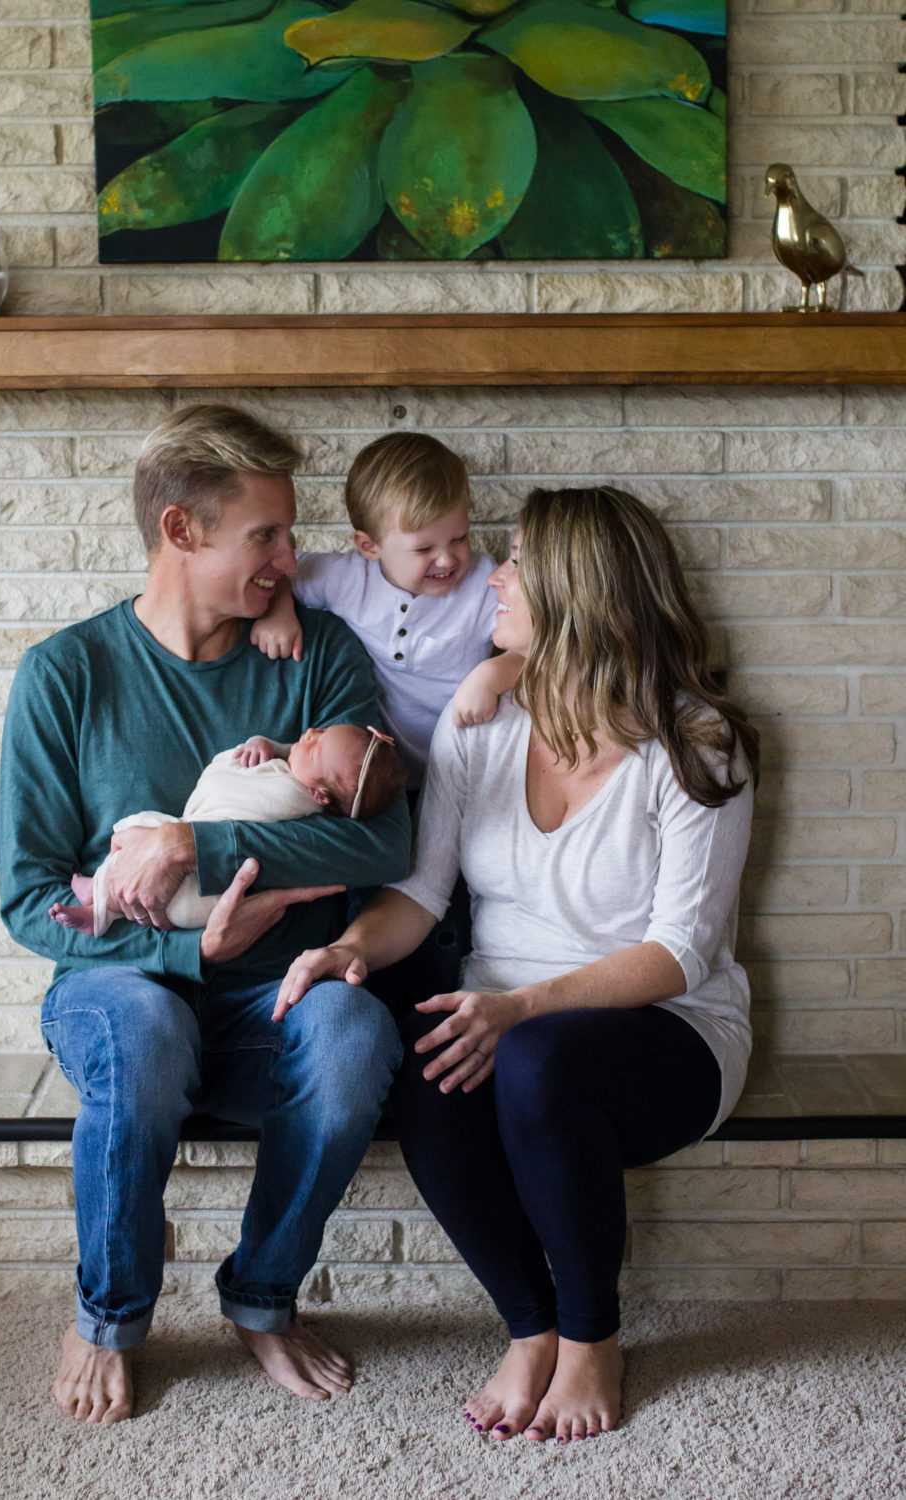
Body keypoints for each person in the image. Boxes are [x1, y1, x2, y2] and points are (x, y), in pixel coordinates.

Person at [276, 486, 759, 1446]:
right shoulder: (482, 723)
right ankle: (530, 1327)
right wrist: (343, 950)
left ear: (577, 591)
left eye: (517, 563)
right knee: (424, 1055)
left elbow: (679, 951)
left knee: (533, 1056)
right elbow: (420, 896)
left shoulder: (697, 742)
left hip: (672, 1029)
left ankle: (592, 1337)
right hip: (517, 1018)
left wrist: (523, 1006)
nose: (492, 577)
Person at [0, 404, 412, 1425]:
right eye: (264, 535)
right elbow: (31, 895)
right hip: (120, 988)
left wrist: (198, 846)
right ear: (181, 530)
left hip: (277, 992)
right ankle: (107, 1316)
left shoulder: (317, 655)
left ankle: (263, 1297)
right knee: (140, 1033)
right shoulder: (67, 676)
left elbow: (380, 841)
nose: (289, 557)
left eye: (290, 530)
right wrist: (184, 943)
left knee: (356, 1034)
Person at [251, 429, 521, 788]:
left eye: (460, 538)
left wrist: (495, 672)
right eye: (424, 549)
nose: (447, 558)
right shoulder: (346, 578)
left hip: (468, 766)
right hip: (375, 772)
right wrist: (278, 612)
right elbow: (284, 571)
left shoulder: (481, 583)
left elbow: (542, 642)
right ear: (369, 546)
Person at [48, 724, 406, 936]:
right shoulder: (299, 777)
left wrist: (187, 841)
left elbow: (230, 784)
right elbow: (280, 761)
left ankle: (99, 909)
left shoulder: (291, 797)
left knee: (147, 829)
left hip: (205, 899)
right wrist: (272, 747)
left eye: (314, 747)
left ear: (318, 796)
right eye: (320, 731)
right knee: (150, 833)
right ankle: (98, 901)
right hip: (194, 895)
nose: (310, 732)